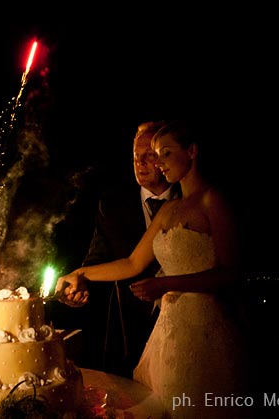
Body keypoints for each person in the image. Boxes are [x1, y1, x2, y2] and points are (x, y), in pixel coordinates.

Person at [55, 120, 251, 419]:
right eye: (146, 155)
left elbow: (232, 271)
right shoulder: (167, 211)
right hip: (164, 331)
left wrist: (165, 284)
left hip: (207, 325)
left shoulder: (214, 200)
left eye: (162, 154)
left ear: (192, 151)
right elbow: (132, 263)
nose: (154, 163)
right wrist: (78, 275)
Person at [78, 120, 181, 376]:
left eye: (149, 156)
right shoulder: (112, 204)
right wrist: (80, 283)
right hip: (130, 327)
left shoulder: (188, 198)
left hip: (185, 318)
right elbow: (99, 260)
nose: (140, 163)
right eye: (136, 156)